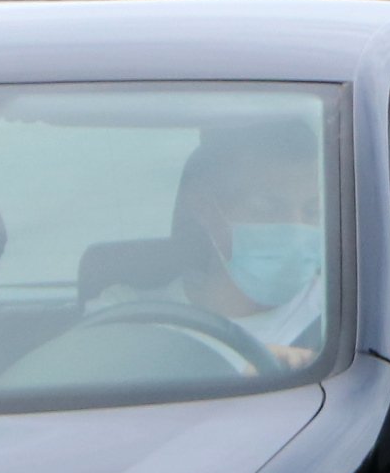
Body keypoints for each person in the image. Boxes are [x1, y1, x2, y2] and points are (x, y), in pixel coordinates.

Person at [97, 118, 329, 367]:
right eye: (266, 208)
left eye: (312, 212)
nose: (296, 230)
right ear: (205, 208)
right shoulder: (128, 316)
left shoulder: (344, 321)